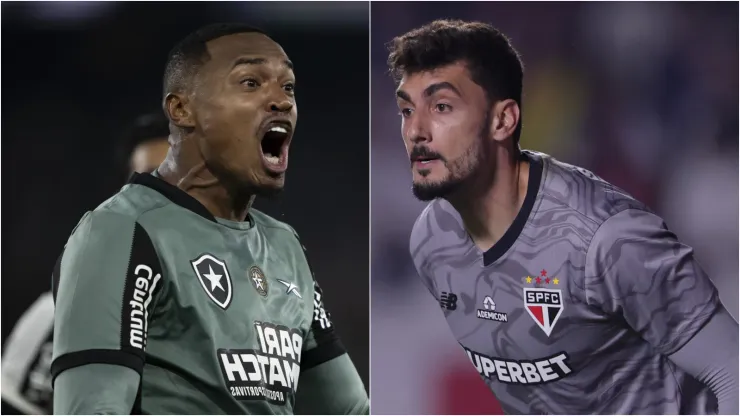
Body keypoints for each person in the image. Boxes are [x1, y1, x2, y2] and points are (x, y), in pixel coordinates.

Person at [391, 19, 738, 415]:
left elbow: (732, 370)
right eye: (406, 109)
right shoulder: (432, 242)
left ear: (503, 120)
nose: (416, 129)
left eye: (441, 107)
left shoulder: (607, 240)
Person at [51, 23, 369, 415]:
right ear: (182, 109)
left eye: (288, 87)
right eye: (251, 82)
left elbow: (348, 409)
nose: (281, 101)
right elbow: (92, 409)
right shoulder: (123, 233)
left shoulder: (285, 246)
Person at [1, 112, 170, 415]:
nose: (165, 196)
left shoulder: (254, 312)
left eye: (182, 181)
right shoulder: (61, 314)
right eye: (147, 180)